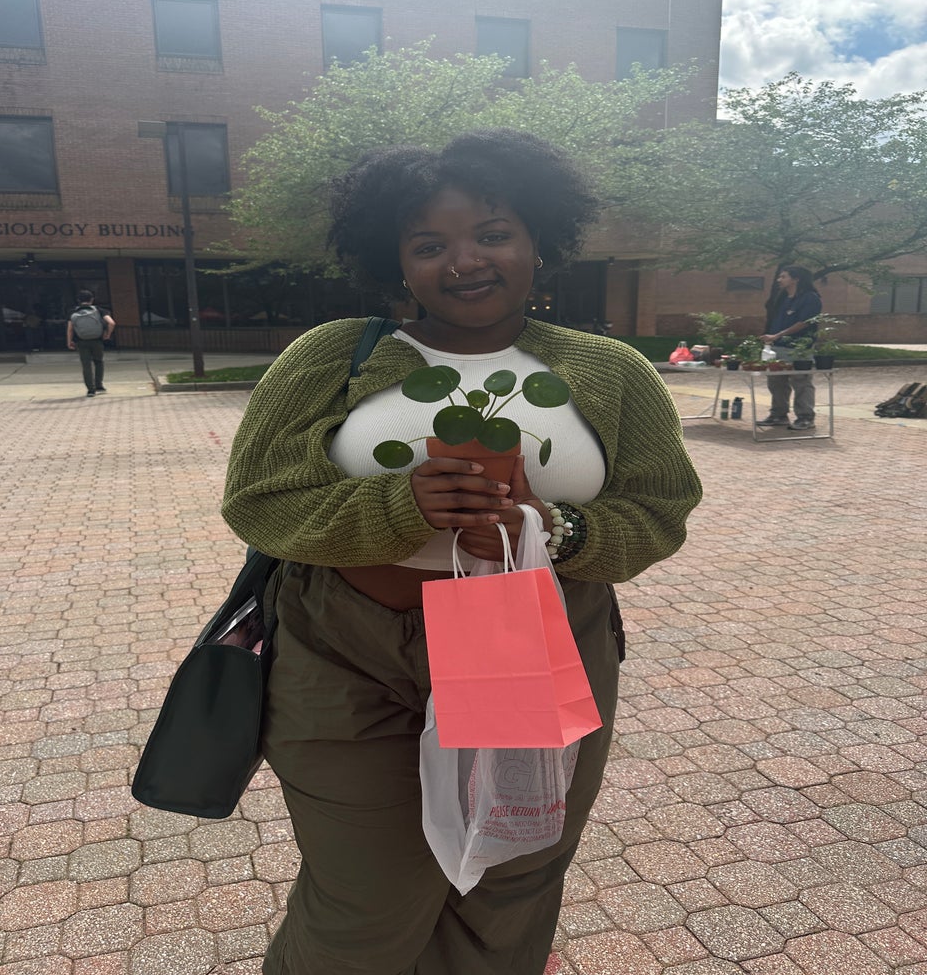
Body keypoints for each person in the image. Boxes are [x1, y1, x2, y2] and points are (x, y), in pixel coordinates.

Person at [221, 129, 702, 975]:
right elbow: (259, 501)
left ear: (537, 242)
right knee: (366, 901)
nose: (465, 261)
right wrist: (395, 507)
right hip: (346, 652)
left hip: (526, 644)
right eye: (429, 244)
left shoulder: (610, 369)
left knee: (506, 886)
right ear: (395, 260)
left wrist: (553, 530)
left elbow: (660, 513)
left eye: (492, 233)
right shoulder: (335, 356)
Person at [757, 265, 822, 430]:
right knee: (776, 382)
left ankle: (805, 417)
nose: (779, 280)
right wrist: (771, 338)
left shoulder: (810, 298)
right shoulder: (783, 298)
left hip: (799, 348)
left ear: (796, 279)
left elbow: (804, 322)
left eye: (783, 276)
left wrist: (777, 335)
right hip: (778, 347)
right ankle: (778, 415)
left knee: (801, 382)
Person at [67, 290, 115, 397]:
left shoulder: (73, 312)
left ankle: (90, 390)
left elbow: (70, 329)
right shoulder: (99, 310)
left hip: (81, 341)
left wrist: (69, 341)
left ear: (78, 300)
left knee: (86, 365)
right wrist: (107, 334)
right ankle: (99, 385)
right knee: (98, 361)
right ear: (92, 299)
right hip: (97, 341)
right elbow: (111, 323)